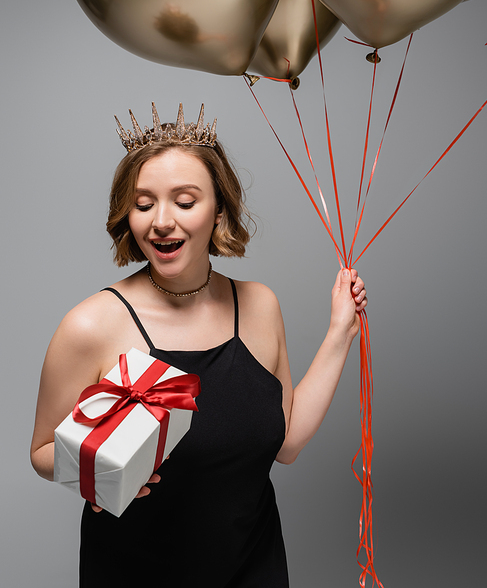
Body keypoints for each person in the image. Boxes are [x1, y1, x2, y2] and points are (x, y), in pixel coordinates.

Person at [31, 103, 367, 588]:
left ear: (219, 210)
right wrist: (95, 471)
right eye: (144, 203)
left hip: (254, 568)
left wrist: (341, 332)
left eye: (184, 202)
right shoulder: (91, 325)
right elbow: (43, 450)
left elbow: (287, 442)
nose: (161, 221)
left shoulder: (259, 305)